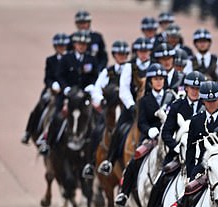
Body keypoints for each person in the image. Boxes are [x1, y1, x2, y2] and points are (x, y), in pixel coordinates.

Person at [144, 71, 207, 207]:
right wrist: (176, 146)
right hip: (178, 153)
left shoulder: (206, 106)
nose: (195, 91)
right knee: (163, 176)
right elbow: (166, 132)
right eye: (192, 88)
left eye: (198, 88)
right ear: (186, 88)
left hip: (203, 154)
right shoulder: (177, 106)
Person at [114, 63, 178, 207]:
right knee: (135, 160)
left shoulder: (172, 99)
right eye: (155, 79)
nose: (158, 81)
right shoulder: (144, 101)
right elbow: (141, 122)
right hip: (150, 138)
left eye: (161, 78)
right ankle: (124, 192)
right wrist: (149, 130)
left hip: (167, 137)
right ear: (150, 81)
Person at [96, 37, 153, 177]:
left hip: (151, 107)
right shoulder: (130, 66)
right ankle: (110, 161)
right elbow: (124, 90)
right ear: (136, 52)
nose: (144, 54)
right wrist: (131, 105)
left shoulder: (154, 67)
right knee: (119, 129)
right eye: (141, 51)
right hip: (132, 107)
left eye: (146, 51)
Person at [42, 30, 99, 155]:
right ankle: (47, 142)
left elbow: (95, 76)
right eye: (79, 43)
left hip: (85, 97)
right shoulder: (66, 58)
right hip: (67, 96)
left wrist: (91, 86)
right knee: (56, 116)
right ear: (74, 44)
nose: (81, 46)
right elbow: (59, 75)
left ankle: (97, 148)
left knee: (98, 118)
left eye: (84, 44)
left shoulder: (92, 59)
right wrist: (65, 88)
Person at [82, 40, 130, 179]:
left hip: (126, 110)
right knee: (97, 131)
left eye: (124, 54)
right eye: (119, 54)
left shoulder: (132, 71)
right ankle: (90, 164)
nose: (122, 56)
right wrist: (101, 100)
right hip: (110, 110)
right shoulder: (107, 72)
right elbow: (97, 89)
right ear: (114, 55)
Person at [21, 33, 70, 146]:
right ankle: (29, 132)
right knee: (40, 107)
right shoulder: (51, 60)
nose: (61, 48)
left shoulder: (70, 60)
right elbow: (47, 78)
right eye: (59, 46)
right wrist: (52, 85)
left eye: (63, 46)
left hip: (66, 91)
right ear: (55, 47)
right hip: (53, 91)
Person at [191, 28, 218, 93]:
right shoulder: (190, 61)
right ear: (195, 43)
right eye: (199, 41)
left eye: (205, 41)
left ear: (209, 43)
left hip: (213, 98)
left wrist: (216, 90)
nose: (202, 44)